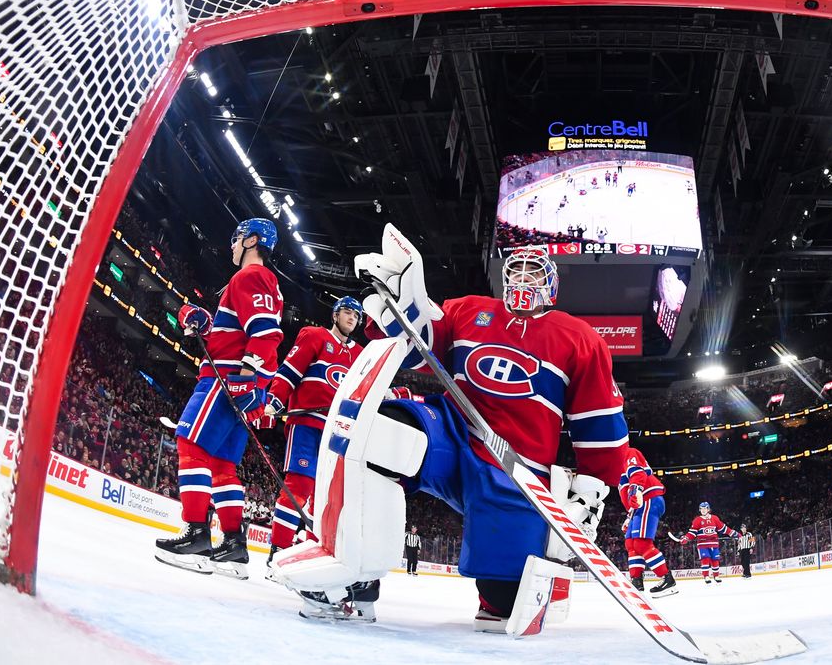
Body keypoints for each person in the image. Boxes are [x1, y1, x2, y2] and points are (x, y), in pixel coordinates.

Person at [271, 226, 630, 634]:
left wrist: (590, 495)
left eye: (535, 272)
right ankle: (354, 579)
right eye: (518, 270)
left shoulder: (580, 338)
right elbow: (417, 347)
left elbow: (600, 423)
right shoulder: (468, 309)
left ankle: (511, 581)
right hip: (453, 435)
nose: (524, 279)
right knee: (384, 433)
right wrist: (395, 311)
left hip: (514, 469)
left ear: (552, 284)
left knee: (502, 611)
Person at [155, 218, 284, 580]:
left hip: (225, 380)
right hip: (240, 380)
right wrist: (207, 324)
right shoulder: (261, 283)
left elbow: (266, 333)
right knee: (223, 466)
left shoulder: (250, 276)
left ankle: (197, 535)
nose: (232, 245)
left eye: (237, 238)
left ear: (253, 241)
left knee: (190, 445)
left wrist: (245, 380)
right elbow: (244, 330)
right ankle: (233, 543)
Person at [257, 296, 362, 563]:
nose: (352, 318)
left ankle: (307, 556)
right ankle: (277, 553)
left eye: (356, 316)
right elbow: (290, 371)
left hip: (337, 433)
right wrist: (275, 399)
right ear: (336, 315)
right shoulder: (314, 336)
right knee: (299, 486)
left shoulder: (360, 354)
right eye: (347, 312)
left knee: (324, 497)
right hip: (307, 423)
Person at [619, 446, 676, 597]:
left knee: (641, 543)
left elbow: (638, 473)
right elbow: (627, 495)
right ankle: (636, 582)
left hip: (647, 498)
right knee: (630, 543)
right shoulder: (616, 466)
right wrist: (629, 515)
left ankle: (667, 579)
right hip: (638, 504)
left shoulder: (627, 452)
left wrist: (636, 490)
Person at [676, 502, 738, 584]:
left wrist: (734, 533)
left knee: (715, 559)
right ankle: (706, 576)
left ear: (708, 509)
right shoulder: (697, 520)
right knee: (705, 559)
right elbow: (692, 533)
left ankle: (716, 575)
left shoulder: (715, 518)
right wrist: (686, 538)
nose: (703, 510)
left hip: (714, 543)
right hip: (702, 544)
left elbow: (723, 528)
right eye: (701, 509)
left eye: (705, 508)